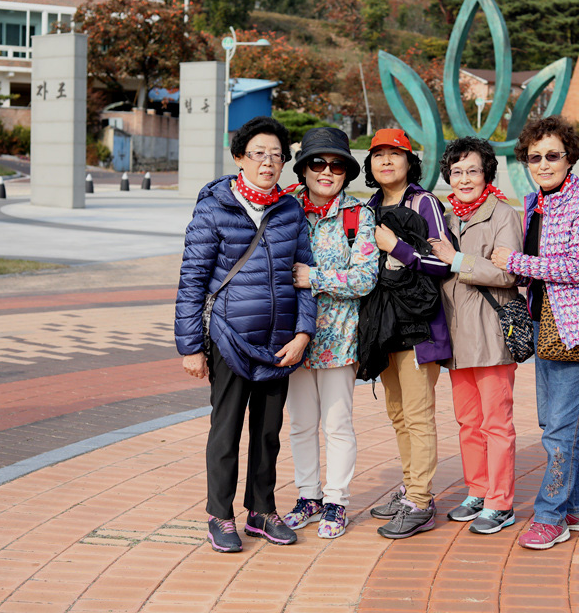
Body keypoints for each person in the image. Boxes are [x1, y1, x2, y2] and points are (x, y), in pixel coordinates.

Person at [174, 116, 317, 553]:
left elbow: (304, 277)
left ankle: (261, 510)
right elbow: (192, 280)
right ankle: (220, 514)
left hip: (278, 343)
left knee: (268, 432)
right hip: (229, 338)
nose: (268, 162)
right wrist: (191, 347)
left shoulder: (290, 210)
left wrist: (303, 333)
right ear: (240, 157)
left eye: (276, 155)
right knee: (226, 431)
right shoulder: (215, 207)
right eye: (258, 154)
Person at [490, 115, 579, 550]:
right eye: (534, 157)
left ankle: (551, 516)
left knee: (559, 427)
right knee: (557, 423)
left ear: (570, 158)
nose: (543, 164)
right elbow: (536, 270)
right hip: (544, 324)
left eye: (552, 156)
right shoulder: (535, 204)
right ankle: (578, 507)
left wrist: (514, 262)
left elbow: (577, 267)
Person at [281, 127, 379, 539]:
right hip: (292, 337)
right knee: (301, 424)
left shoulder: (359, 215)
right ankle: (308, 496)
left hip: (339, 340)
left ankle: (336, 500)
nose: (327, 171)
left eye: (337, 165)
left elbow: (366, 278)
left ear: (347, 173)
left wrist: (315, 277)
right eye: (318, 163)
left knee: (337, 425)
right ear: (304, 168)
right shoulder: (284, 209)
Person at [427, 137, 524, 535]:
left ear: (487, 174)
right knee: (468, 421)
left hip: (491, 336)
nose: (464, 179)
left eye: (472, 170)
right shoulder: (446, 218)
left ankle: (501, 502)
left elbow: (509, 272)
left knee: (496, 423)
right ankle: (478, 490)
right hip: (456, 338)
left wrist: (457, 260)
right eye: (457, 171)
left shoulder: (503, 214)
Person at [364, 128, 453, 539]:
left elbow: (444, 262)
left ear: (409, 161)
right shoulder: (369, 206)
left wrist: (397, 248)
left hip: (419, 324)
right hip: (384, 325)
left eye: (394, 153)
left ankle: (420, 500)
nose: (386, 161)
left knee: (418, 415)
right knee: (397, 413)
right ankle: (409, 488)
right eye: (378, 154)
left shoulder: (424, 203)